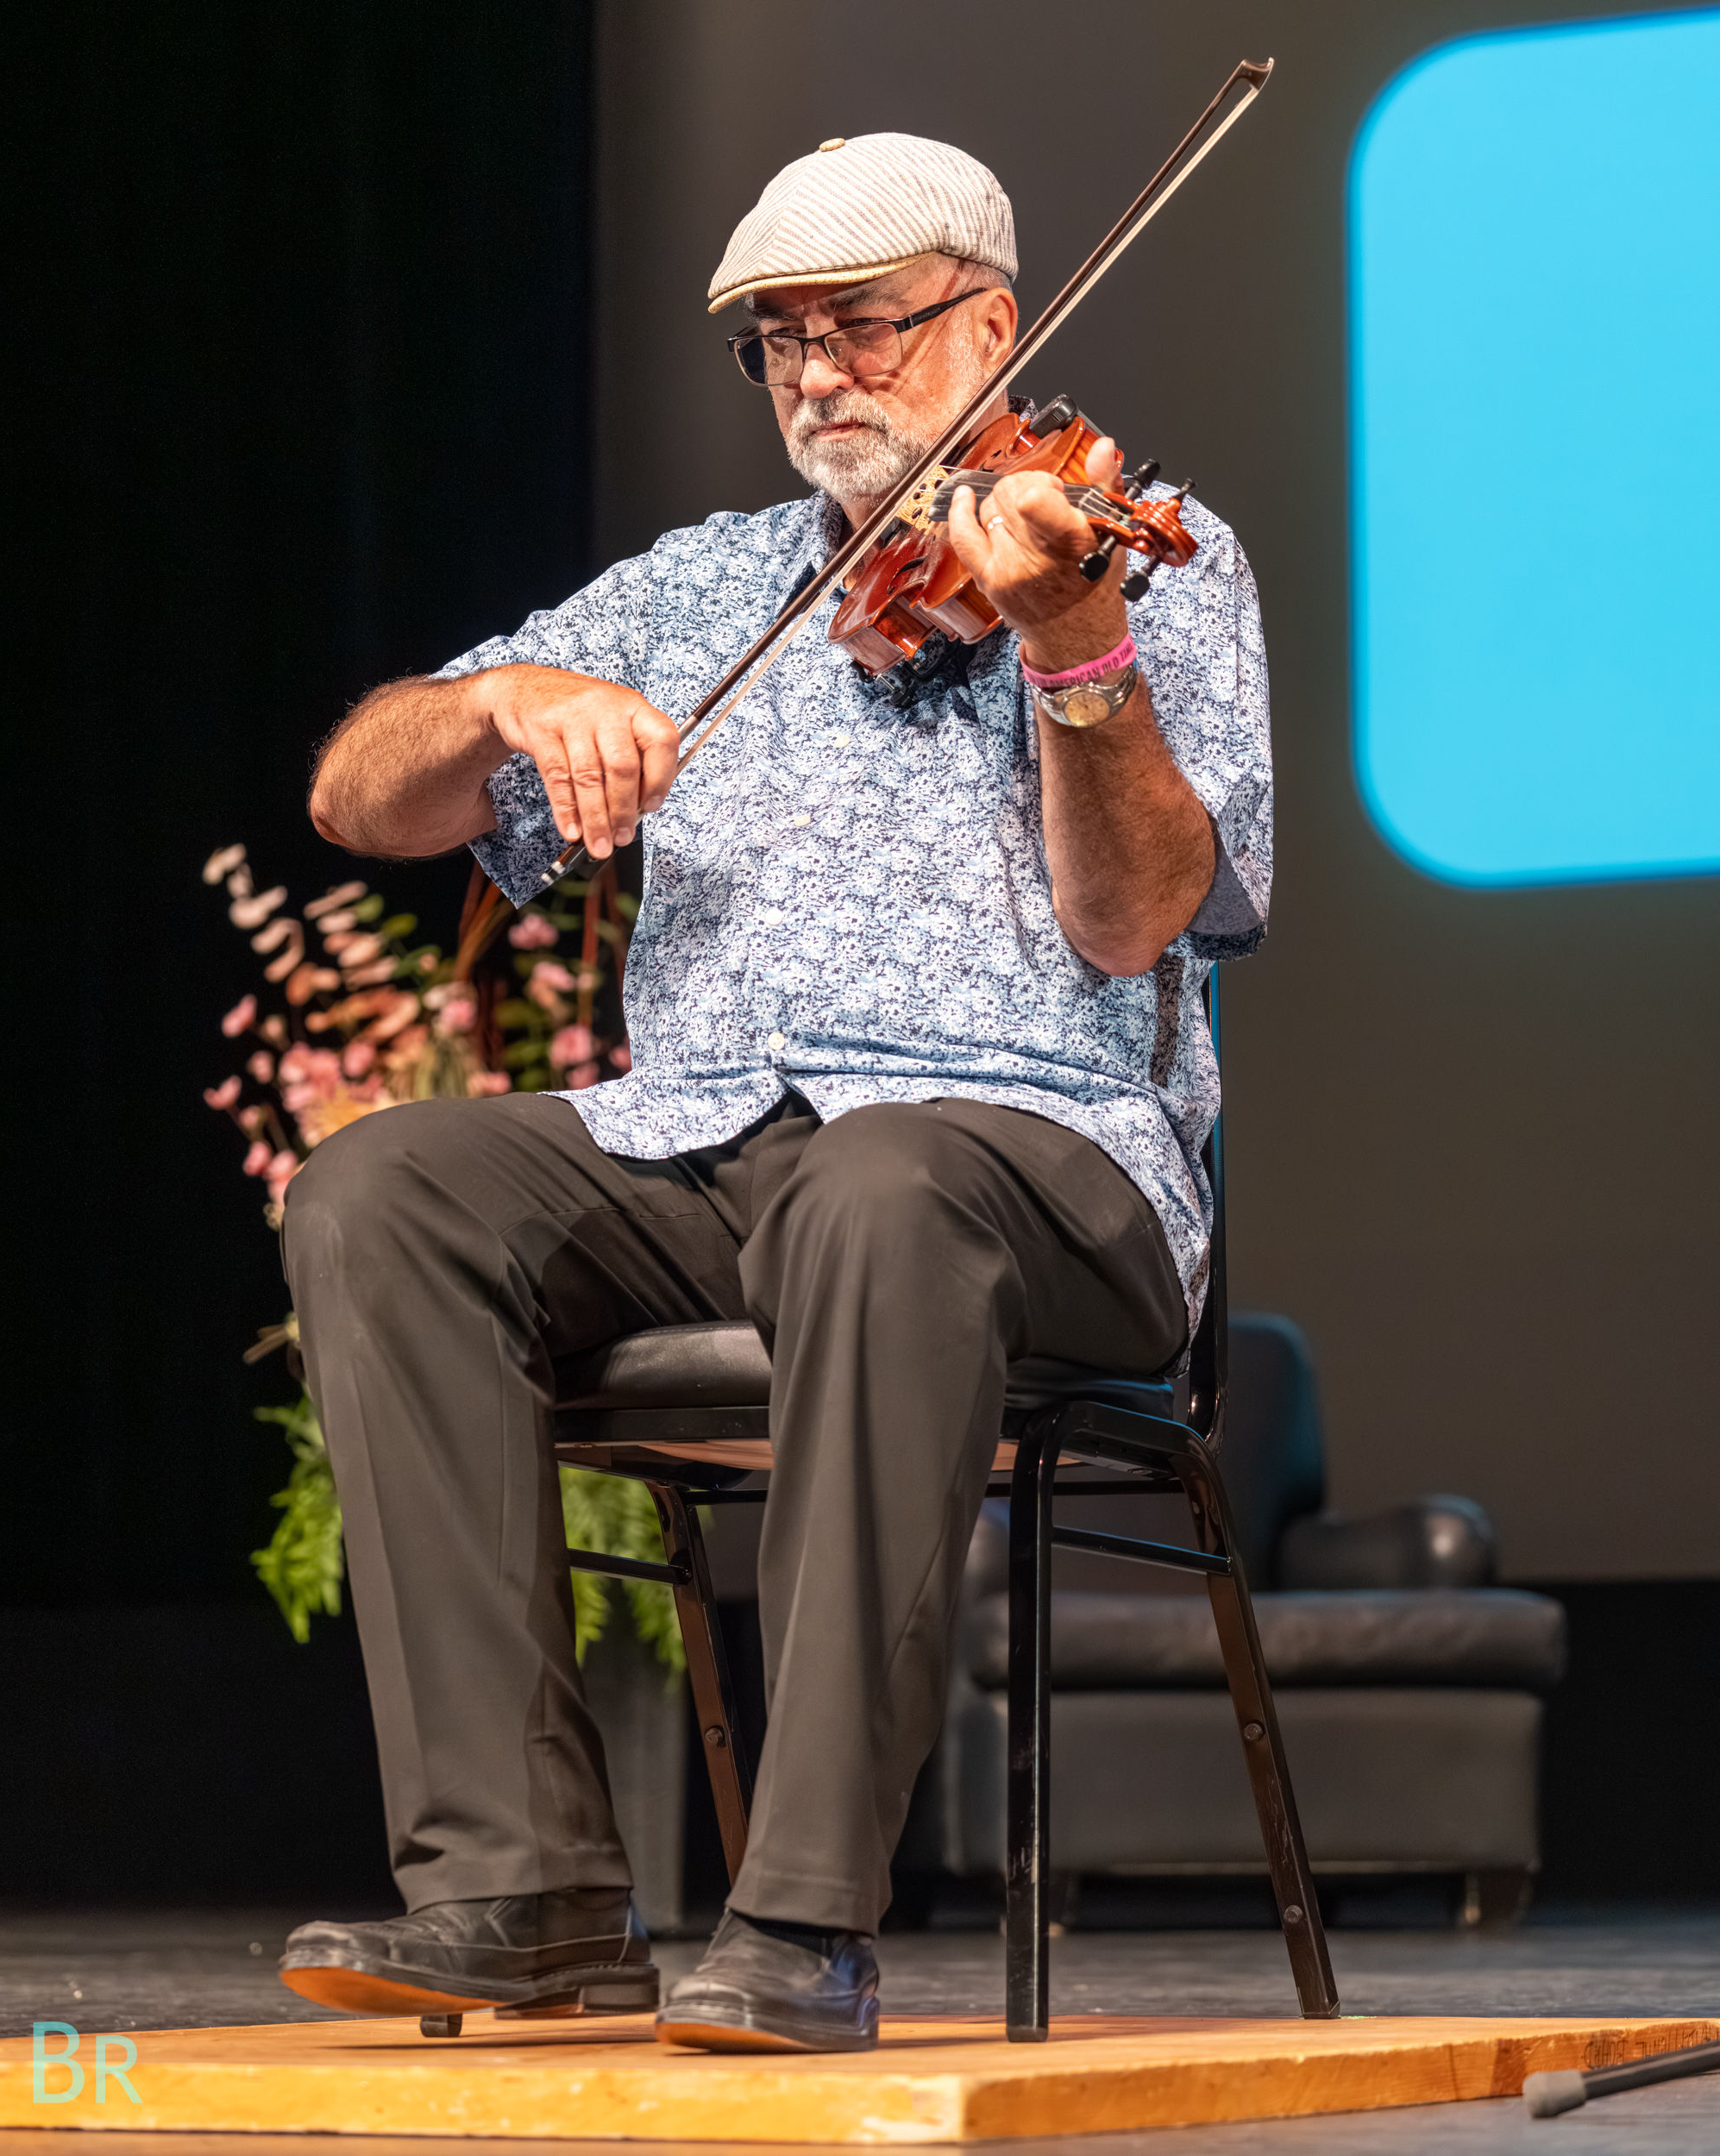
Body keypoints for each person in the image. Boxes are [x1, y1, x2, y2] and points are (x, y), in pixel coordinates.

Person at [277, 131, 1271, 2054]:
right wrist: (501, 709)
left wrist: (1072, 644)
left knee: (882, 1184)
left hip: (1044, 1170)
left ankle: (803, 1914)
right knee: (381, 1187)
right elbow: (359, 791)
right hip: (714, 1141)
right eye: (778, 342)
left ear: (990, 321)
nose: (818, 373)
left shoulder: (1148, 550)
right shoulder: (702, 588)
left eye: (863, 328)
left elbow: (1140, 916)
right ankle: (520, 1886)